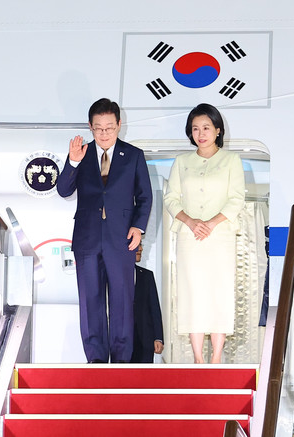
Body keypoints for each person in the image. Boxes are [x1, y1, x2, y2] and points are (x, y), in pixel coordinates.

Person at [56, 98, 152, 363]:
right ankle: (96, 360)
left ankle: (121, 361)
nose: (104, 133)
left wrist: (138, 227)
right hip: (87, 239)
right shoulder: (81, 154)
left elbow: (145, 196)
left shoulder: (133, 155)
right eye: (98, 128)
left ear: (119, 125)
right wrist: (72, 163)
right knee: (90, 301)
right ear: (90, 126)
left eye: (109, 127)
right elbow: (63, 190)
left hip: (121, 239)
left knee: (122, 300)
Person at [163, 103, 245, 364]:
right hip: (190, 237)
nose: (201, 133)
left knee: (219, 291)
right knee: (192, 292)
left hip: (220, 237)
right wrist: (190, 221)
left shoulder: (231, 160)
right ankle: (198, 359)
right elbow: (171, 198)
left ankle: (216, 358)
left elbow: (236, 198)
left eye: (206, 128)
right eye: (195, 128)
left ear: (218, 130)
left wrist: (211, 223)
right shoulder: (181, 162)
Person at [131, 243, 164, 363]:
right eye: (137, 245)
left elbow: (154, 308)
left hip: (145, 340)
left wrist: (158, 337)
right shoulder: (112, 276)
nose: (140, 248)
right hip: (121, 342)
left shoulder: (147, 275)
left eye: (141, 245)